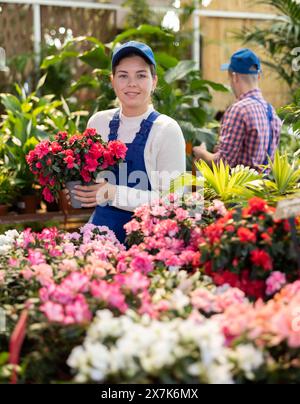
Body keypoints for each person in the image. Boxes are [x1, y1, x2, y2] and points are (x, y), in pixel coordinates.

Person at [70, 41, 186, 243]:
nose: (132, 83)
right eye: (123, 75)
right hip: (101, 236)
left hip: (148, 239)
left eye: (141, 75)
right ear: (112, 81)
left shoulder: (167, 130)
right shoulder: (98, 123)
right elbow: (92, 181)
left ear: (154, 81)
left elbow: (172, 202)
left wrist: (113, 193)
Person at [193, 48, 282, 171]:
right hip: (264, 188)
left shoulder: (239, 110)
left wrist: (202, 153)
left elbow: (222, 164)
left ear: (234, 77)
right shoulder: (271, 111)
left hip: (238, 189)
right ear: (259, 76)